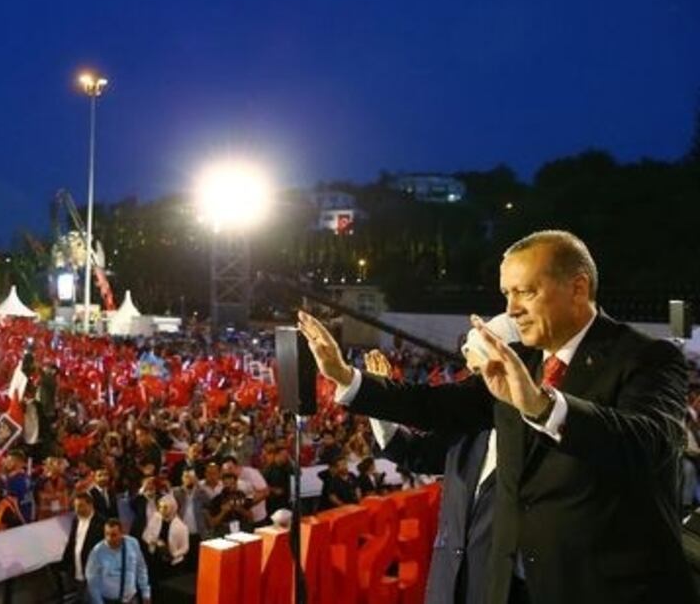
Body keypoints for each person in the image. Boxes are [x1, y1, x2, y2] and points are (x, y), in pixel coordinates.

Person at [299, 229, 699, 604]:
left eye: (525, 291)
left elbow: (648, 444)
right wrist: (348, 379)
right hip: (511, 586)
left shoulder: (647, 358)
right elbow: (437, 405)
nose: (512, 309)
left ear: (578, 288)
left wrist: (543, 406)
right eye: (507, 293)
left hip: (604, 589)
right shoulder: (520, 363)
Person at [366, 346, 499, 604]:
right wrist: (379, 404)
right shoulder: (465, 432)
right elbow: (413, 452)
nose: (465, 383)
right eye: (468, 373)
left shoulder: (544, 438)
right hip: (447, 587)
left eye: (476, 373)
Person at [85, 518, 151, 604]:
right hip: (109, 601)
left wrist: (146, 593)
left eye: (113, 535)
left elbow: (141, 569)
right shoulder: (97, 552)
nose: (109, 538)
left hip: (131, 599)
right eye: (106, 534)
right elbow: (92, 582)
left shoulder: (133, 543)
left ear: (121, 533)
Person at [62, 492, 106, 592]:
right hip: (78, 571)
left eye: (81, 506)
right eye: (75, 507)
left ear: (90, 505)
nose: (77, 510)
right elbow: (72, 542)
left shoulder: (101, 523)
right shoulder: (76, 521)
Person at [140, 496, 189, 582]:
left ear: (173, 508)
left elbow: (185, 548)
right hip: (155, 559)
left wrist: (173, 555)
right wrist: (153, 541)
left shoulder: (181, 527)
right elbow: (145, 535)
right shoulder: (155, 518)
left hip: (172, 563)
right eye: (160, 507)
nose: (161, 510)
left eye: (165, 507)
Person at [170, 470, 209, 569]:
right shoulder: (176, 492)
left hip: (198, 533)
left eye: (191, 477)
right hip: (182, 534)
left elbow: (209, 504)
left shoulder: (202, 492)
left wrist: (198, 486)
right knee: (182, 563)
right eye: (186, 477)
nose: (189, 479)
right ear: (182, 479)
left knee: (198, 563)